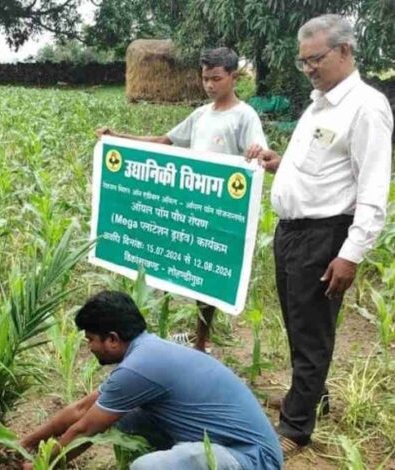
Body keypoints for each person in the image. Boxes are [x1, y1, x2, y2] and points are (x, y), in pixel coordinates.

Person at [246, 14, 393, 455]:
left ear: (345, 51)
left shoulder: (366, 107)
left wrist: (350, 254)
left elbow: (371, 191)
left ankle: (295, 428)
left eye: (316, 58)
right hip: (292, 233)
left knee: (312, 331)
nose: (308, 67)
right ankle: (309, 396)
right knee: (297, 321)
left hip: (325, 236)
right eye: (302, 61)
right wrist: (278, 164)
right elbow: (321, 168)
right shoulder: (320, 102)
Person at [97, 47, 269, 352]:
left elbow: (259, 156)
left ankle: (201, 341)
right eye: (206, 79)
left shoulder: (245, 116)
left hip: (218, 212)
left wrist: (257, 155)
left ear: (233, 76)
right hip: (188, 209)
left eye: (217, 78)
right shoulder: (201, 114)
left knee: (207, 280)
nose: (210, 85)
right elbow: (165, 141)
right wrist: (117, 137)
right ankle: (162, 335)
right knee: (173, 268)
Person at [20, 290, 283, 470]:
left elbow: (83, 429)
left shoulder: (139, 367)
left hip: (254, 461)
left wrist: (41, 465)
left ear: (112, 339)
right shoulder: (147, 352)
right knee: (122, 420)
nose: (89, 347)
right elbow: (81, 410)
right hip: (234, 448)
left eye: (90, 339)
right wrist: (25, 444)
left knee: (145, 468)